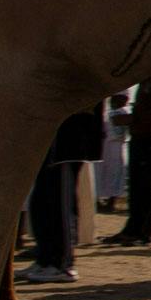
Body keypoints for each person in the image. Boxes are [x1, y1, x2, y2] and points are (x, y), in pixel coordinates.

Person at [20, 97, 104, 284]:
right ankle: (44, 259)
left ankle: (63, 265)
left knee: (61, 203)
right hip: (50, 140)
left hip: (68, 143)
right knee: (41, 201)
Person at [106, 77, 151, 246]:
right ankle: (134, 229)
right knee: (139, 187)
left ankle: (140, 231)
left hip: (149, 139)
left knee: (146, 187)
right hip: (142, 137)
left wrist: (131, 119)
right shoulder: (149, 81)